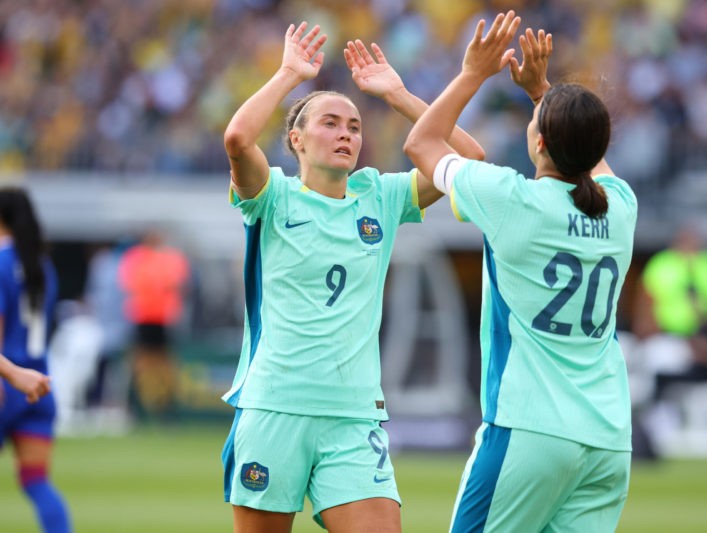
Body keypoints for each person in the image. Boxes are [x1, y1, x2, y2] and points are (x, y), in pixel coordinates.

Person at [220, 21, 484, 533]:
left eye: (355, 126)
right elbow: (236, 137)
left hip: (353, 416)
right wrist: (288, 74)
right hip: (276, 407)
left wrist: (400, 94)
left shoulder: (380, 198)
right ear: (295, 139)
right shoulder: (273, 197)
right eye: (330, 123)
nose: (345, 134)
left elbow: (470, 160)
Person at [404, 11, 637, 532]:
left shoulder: (512, 200)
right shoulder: (621, 207)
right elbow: (587, 156)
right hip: (607, 438)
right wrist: (543, 93)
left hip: (528, 428)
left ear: (538, 144)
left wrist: (472, 73)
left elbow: (421, 144)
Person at [0, 187, 71, 533]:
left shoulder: (0, 261)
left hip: (6, 382)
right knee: (36, 481)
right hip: (41, 386)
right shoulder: (41, 265)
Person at [633, 224, 707, 402]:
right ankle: (655, 412)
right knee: (657, 359)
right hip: (669, 337)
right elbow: (644, 309)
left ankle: (660, 411)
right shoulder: (662, 264)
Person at [118, 228, 190, 417]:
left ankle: (166, 404)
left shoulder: (171, 258)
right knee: (141, 360)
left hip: (164, 317)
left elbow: (177, 284)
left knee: (165, 362)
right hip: (143, 316)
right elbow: (132, 284)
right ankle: (135, 402)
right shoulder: (136, 258)